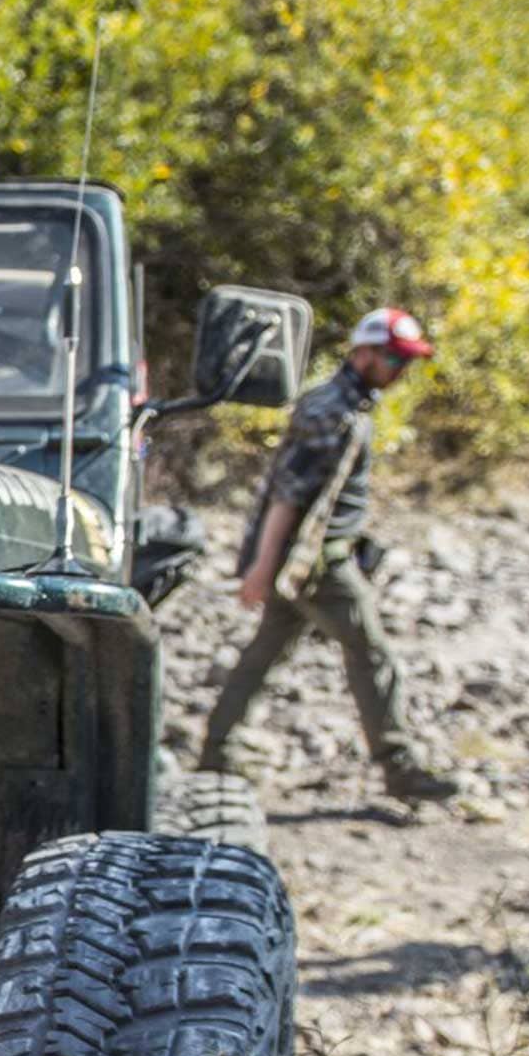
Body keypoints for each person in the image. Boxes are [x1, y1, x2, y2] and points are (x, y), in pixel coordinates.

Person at [198, 307, 458, 804]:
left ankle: (215, 752)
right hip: (315, 563)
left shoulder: (350, 405)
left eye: (405, 361)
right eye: (392, 358)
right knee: (372, 655)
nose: (400, 371)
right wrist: (261, 567)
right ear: (362, 353)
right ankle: (399, 769)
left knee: (264, 653)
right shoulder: (331, 411)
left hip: (305, 560)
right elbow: (288, 496)